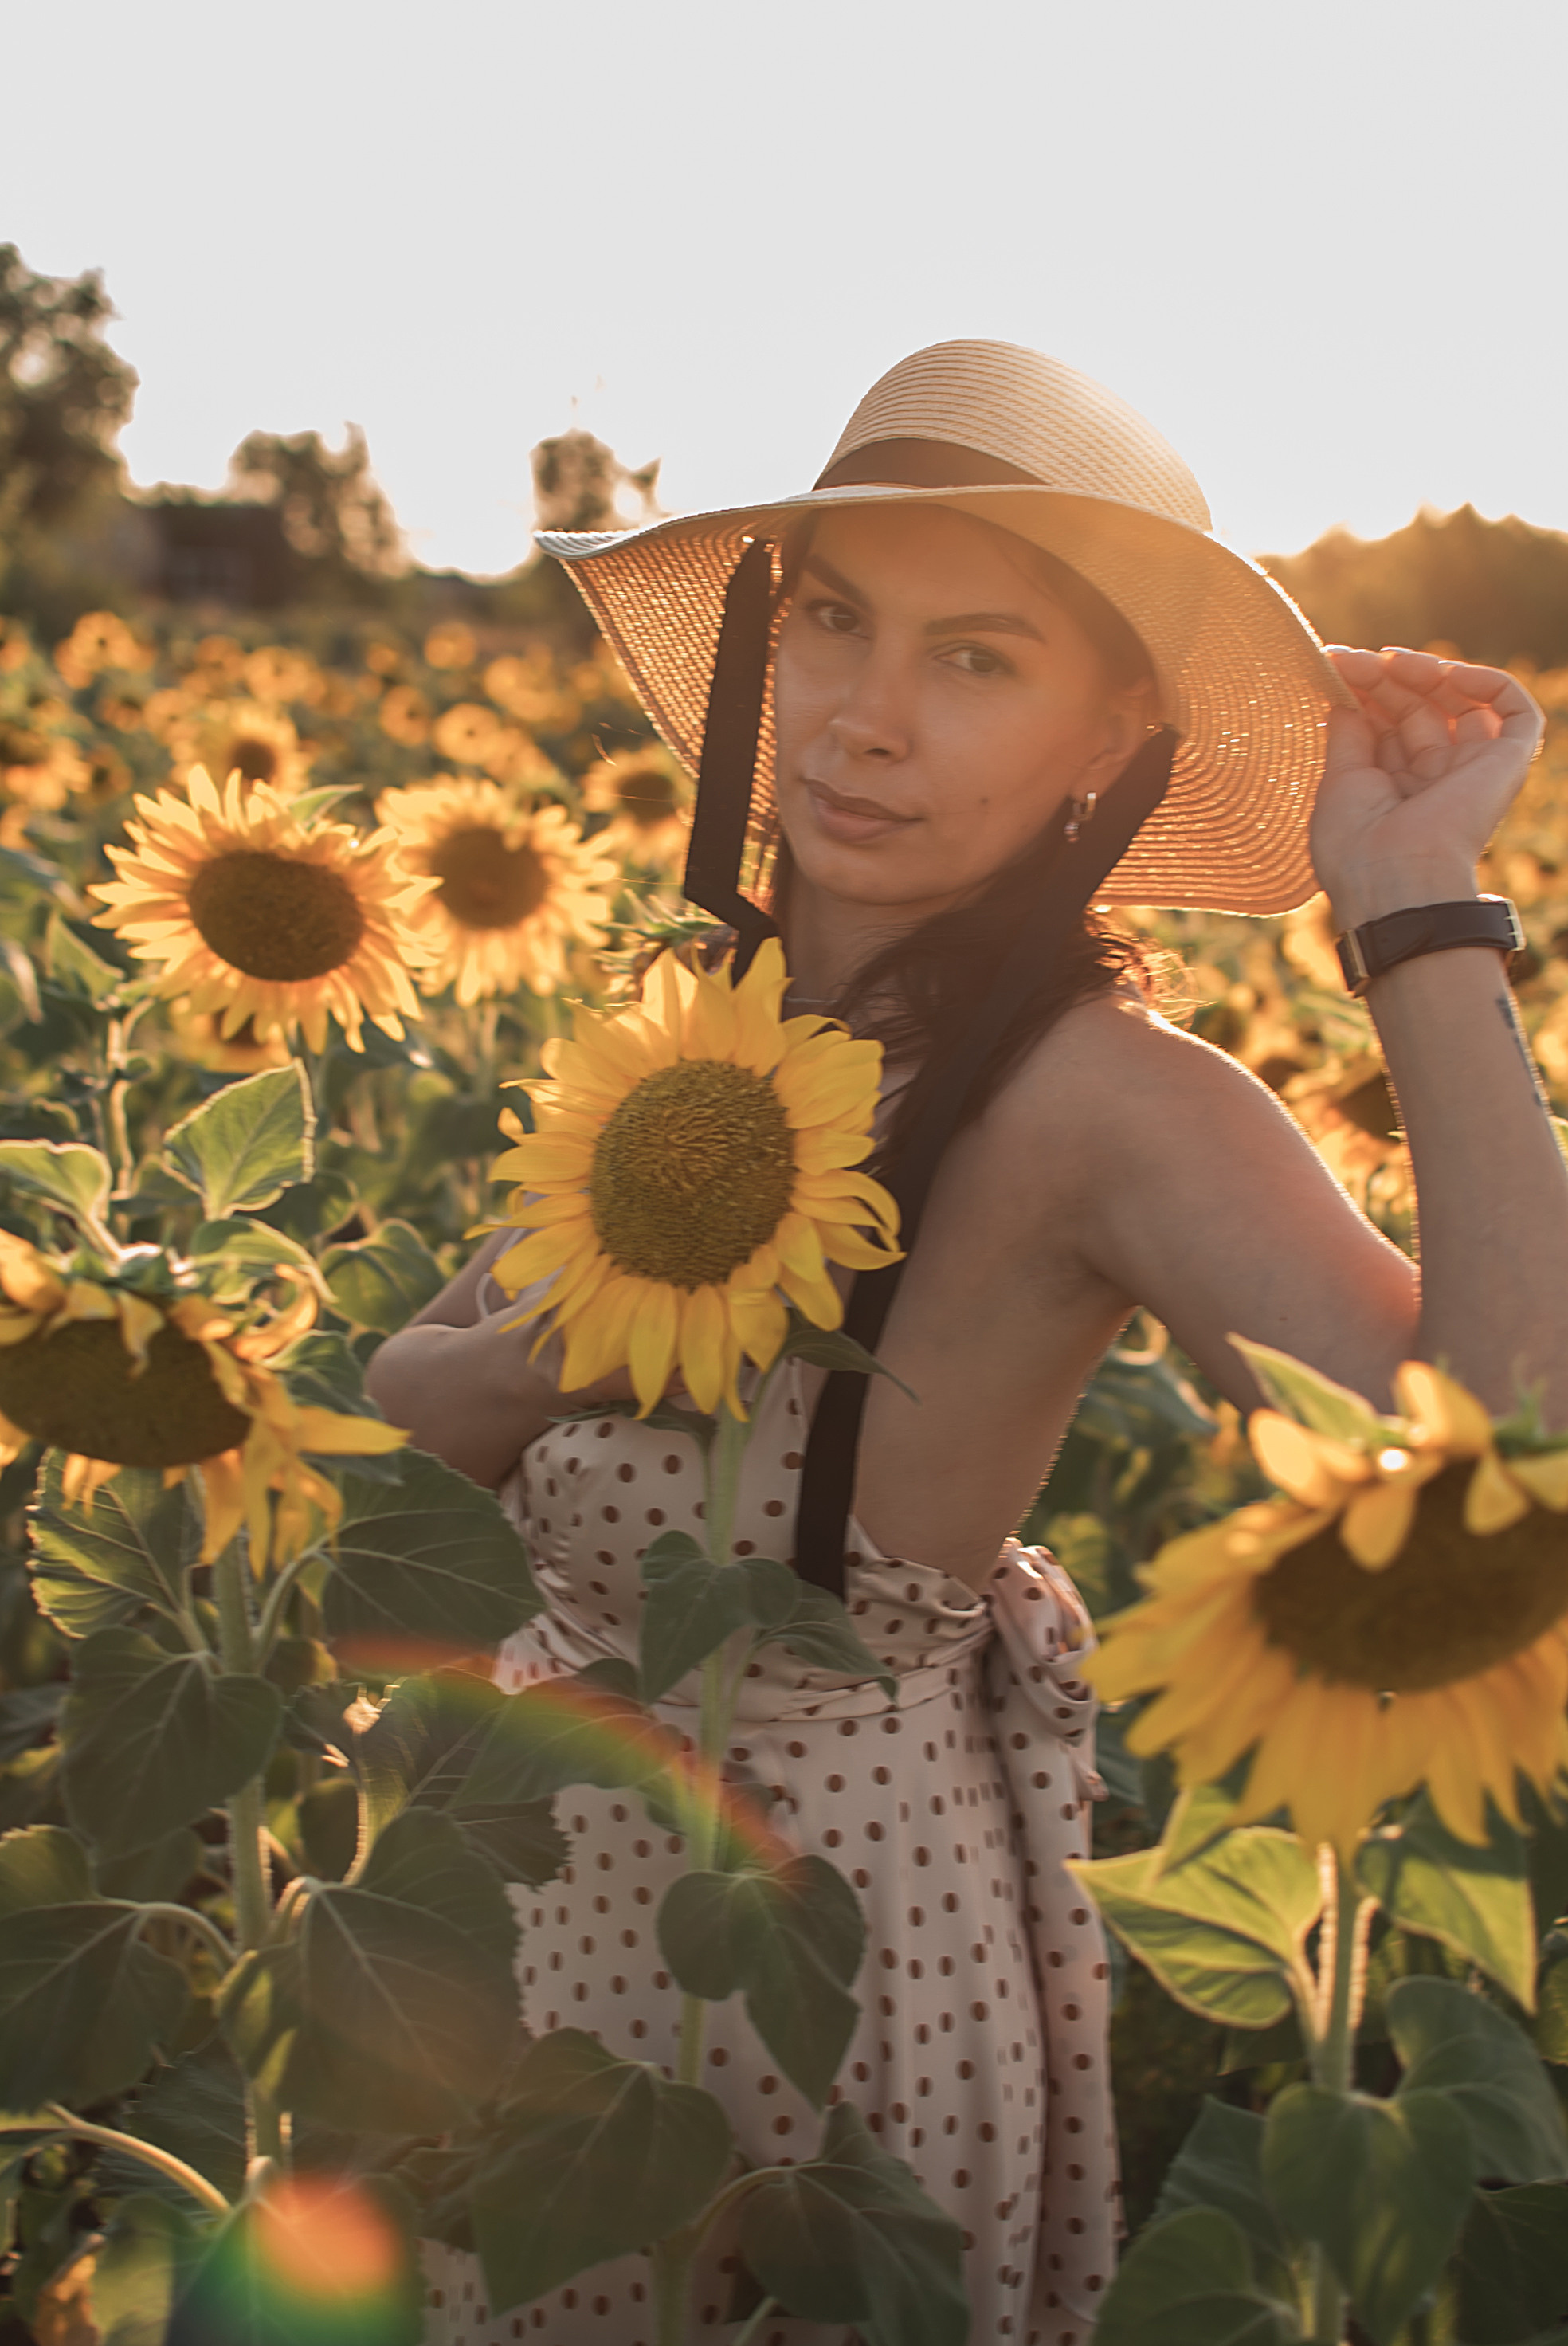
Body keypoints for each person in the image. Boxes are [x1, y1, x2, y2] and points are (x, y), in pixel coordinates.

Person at [369, 343, 1568, 2346]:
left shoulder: (1102, 1100)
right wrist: (547, 1364)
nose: (865, 715)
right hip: (519, 1924)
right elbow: (410, 1402)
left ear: (1115, 738)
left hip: (802, 1965)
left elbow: (1504, 1427)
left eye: (979, 658)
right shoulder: (710, 1027)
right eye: (837, 621)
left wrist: (1414, 899)